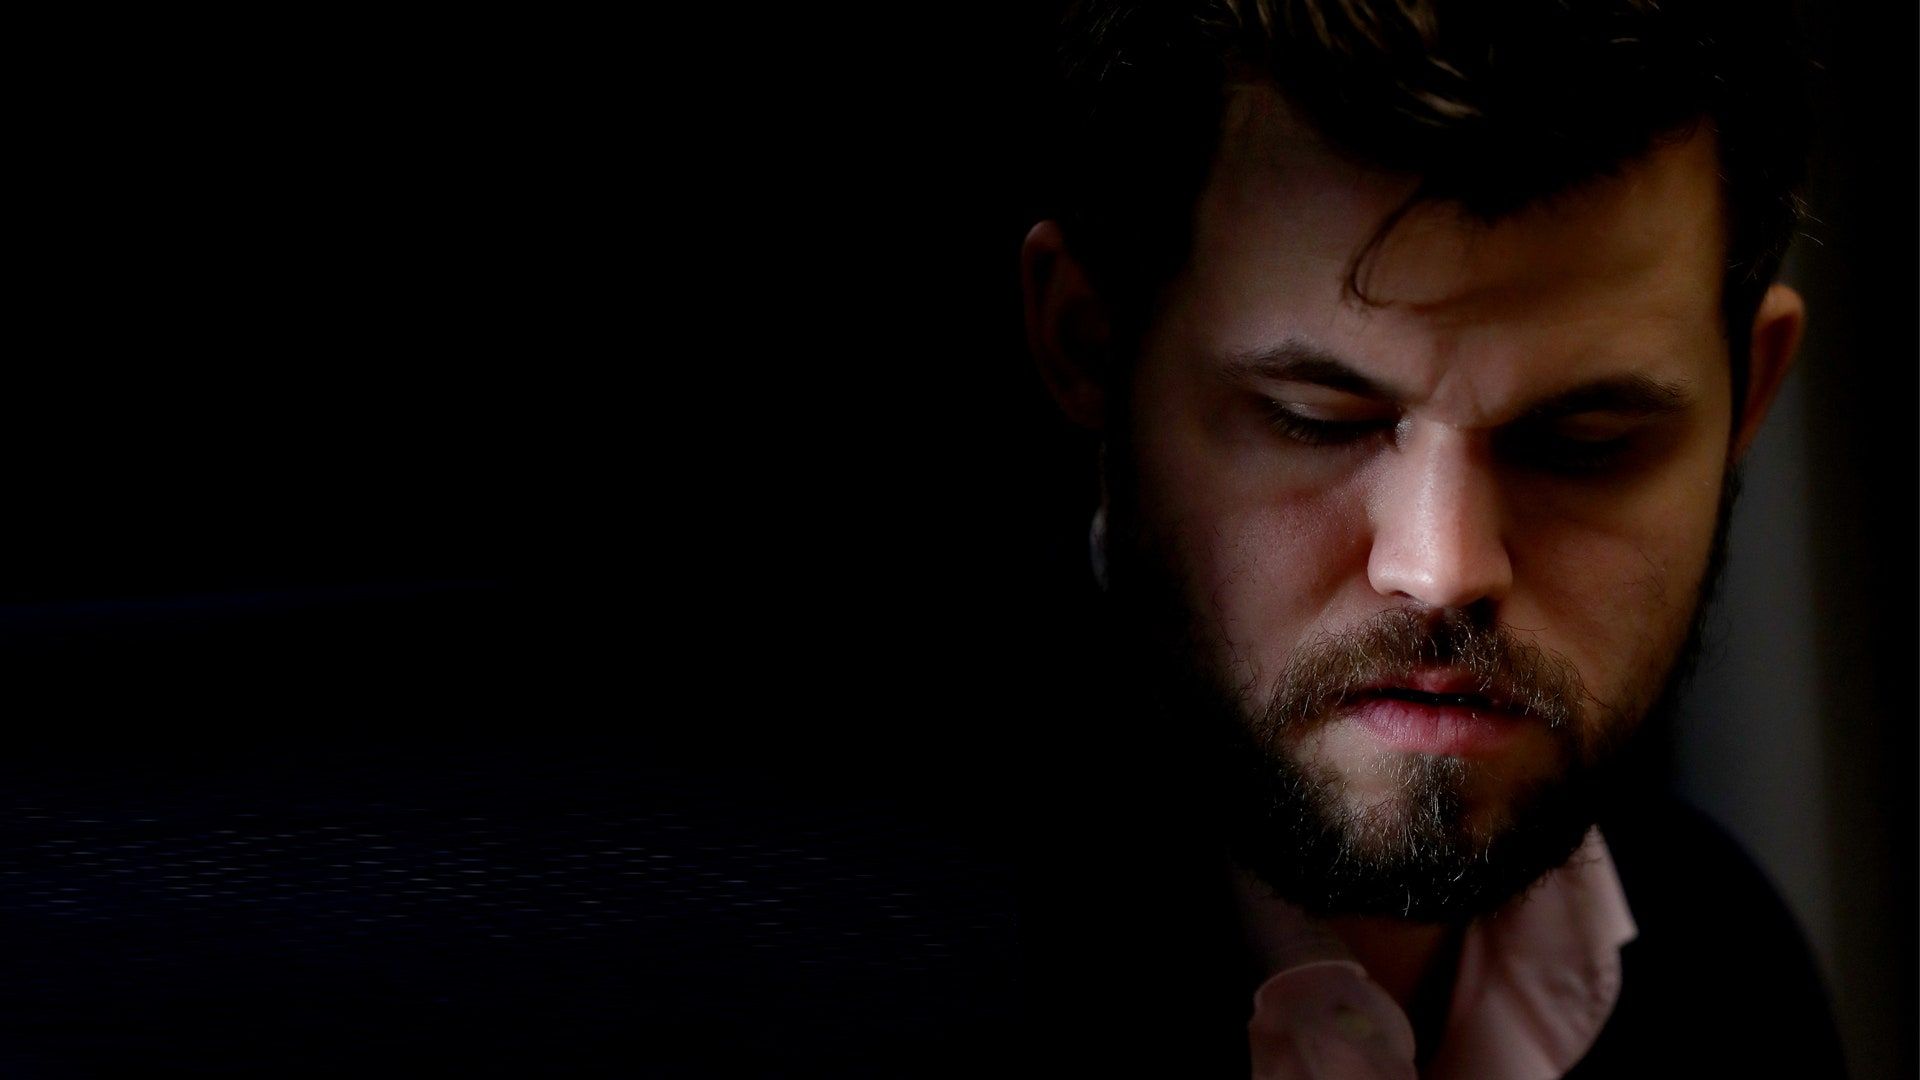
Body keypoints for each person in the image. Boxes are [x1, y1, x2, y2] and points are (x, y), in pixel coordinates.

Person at [1016, 1, 1848, 1076]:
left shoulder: (1733, 976)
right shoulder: (830, 980)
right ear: (1089, 347)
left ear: (1751, 397)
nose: (1443, 566)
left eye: (1582, 445)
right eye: (1317, 421)